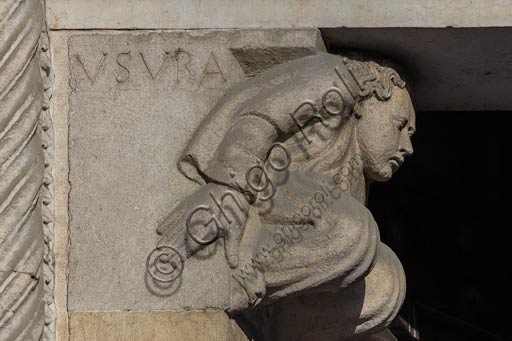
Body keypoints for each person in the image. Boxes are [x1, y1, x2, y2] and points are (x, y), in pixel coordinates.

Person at [156, 53, 416, 340]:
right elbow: (261, 116)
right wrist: (231, 188)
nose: (407, 146)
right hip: (260, 186)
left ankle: (274, 323)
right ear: (368, 104)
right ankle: (229, 281)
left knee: (386, 279)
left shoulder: (356, 177)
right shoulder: (342, 79)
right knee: (354, 230)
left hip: (292, 225)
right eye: (400, 125)